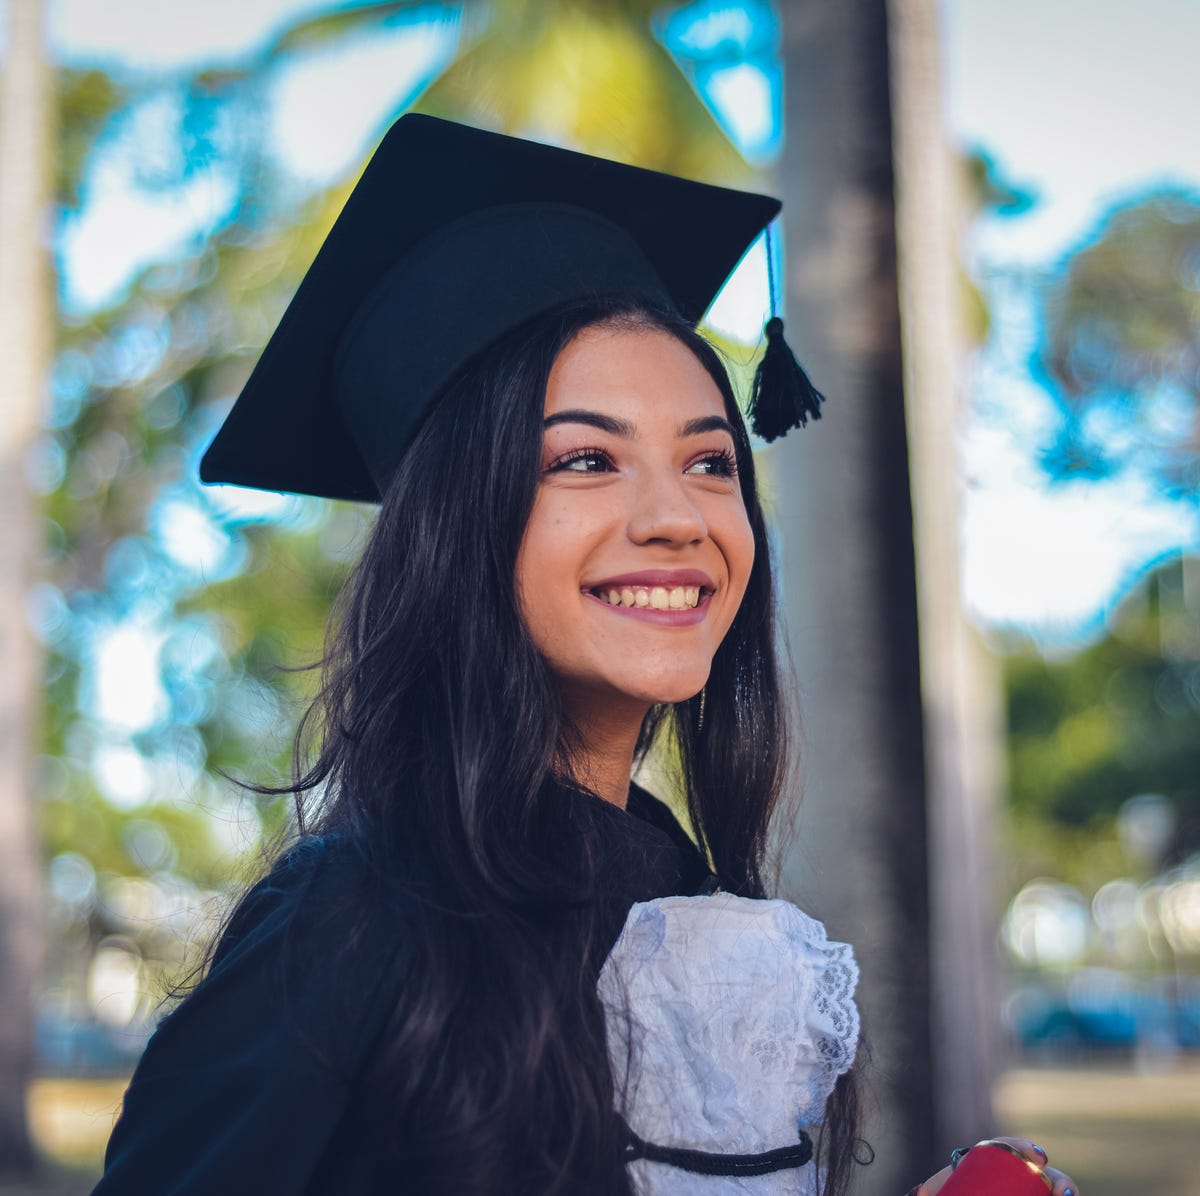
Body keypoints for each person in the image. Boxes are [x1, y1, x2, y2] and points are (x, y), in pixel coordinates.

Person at [93, 115, 1079, 1196]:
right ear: (457, 525)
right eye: (586, 458)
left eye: (711, 460)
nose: (677, 516)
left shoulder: (694, 905)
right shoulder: (350, 920)